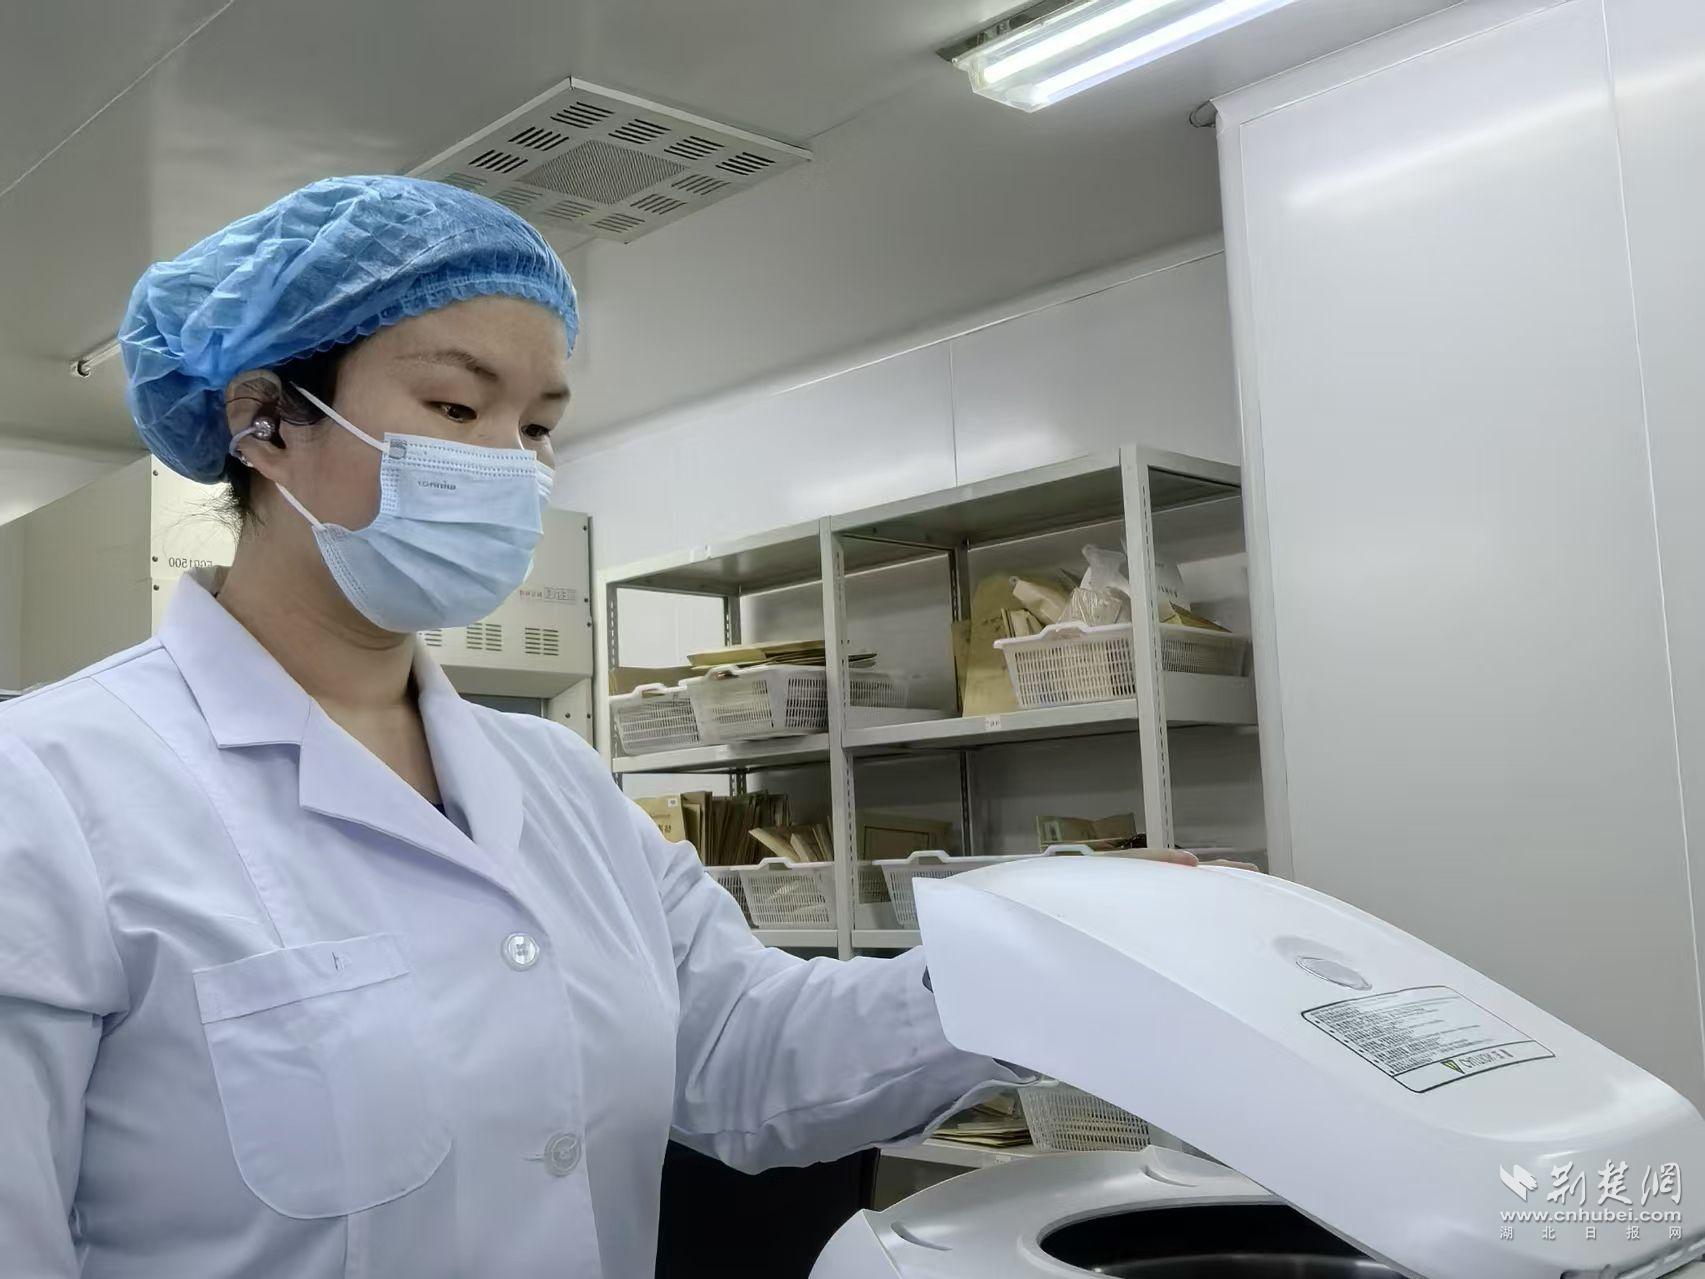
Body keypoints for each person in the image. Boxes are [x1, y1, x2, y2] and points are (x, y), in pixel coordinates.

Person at [0, 176, 1216, 1278]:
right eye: (455, 404)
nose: (509, 466)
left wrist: (1045, 959)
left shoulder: (557, 780)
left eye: (537, 427)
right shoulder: (53, 789)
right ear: (264, 418)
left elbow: (742, 1052)